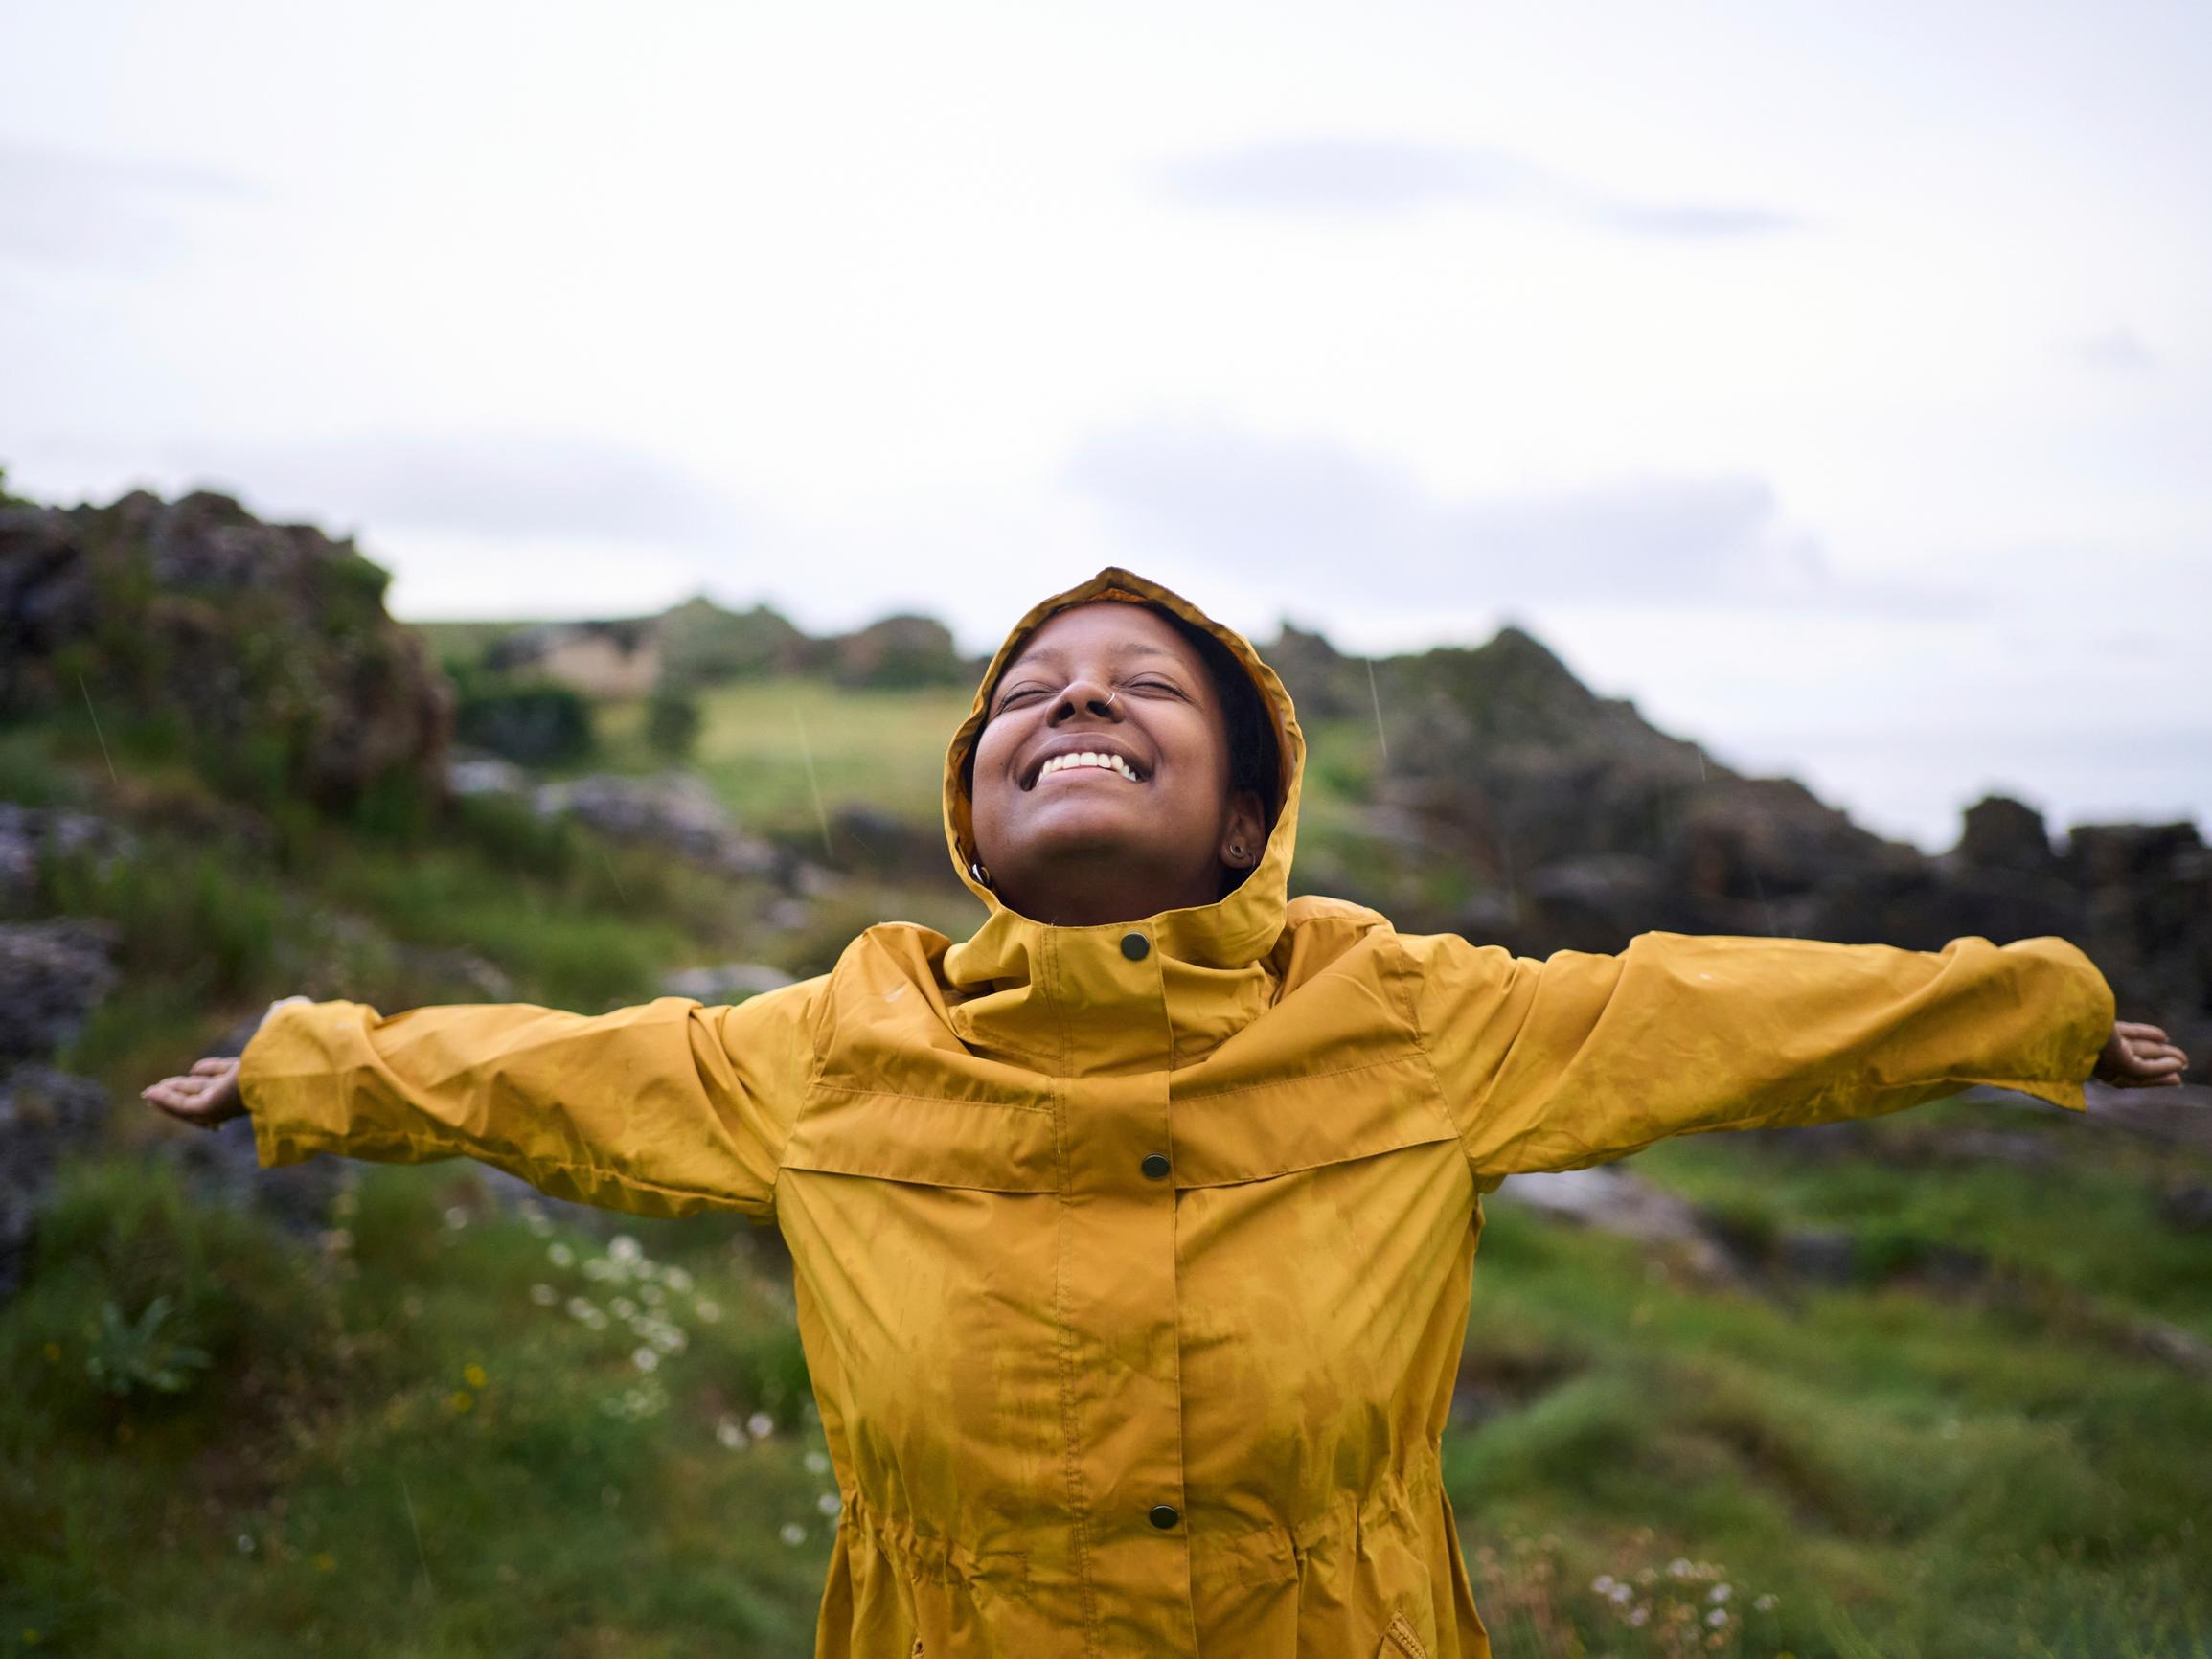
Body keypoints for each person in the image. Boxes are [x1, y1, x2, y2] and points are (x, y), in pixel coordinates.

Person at [142, 567, 2190, 1659]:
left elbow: (1705, 1011)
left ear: (1239, 808)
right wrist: (315, 1065)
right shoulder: (831, 1048)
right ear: (976, 801)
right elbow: (559, 1072)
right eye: (1034, 686)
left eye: (1146, 684)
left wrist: (2028, 1005)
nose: (1081, 698)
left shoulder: (1406, 1016)